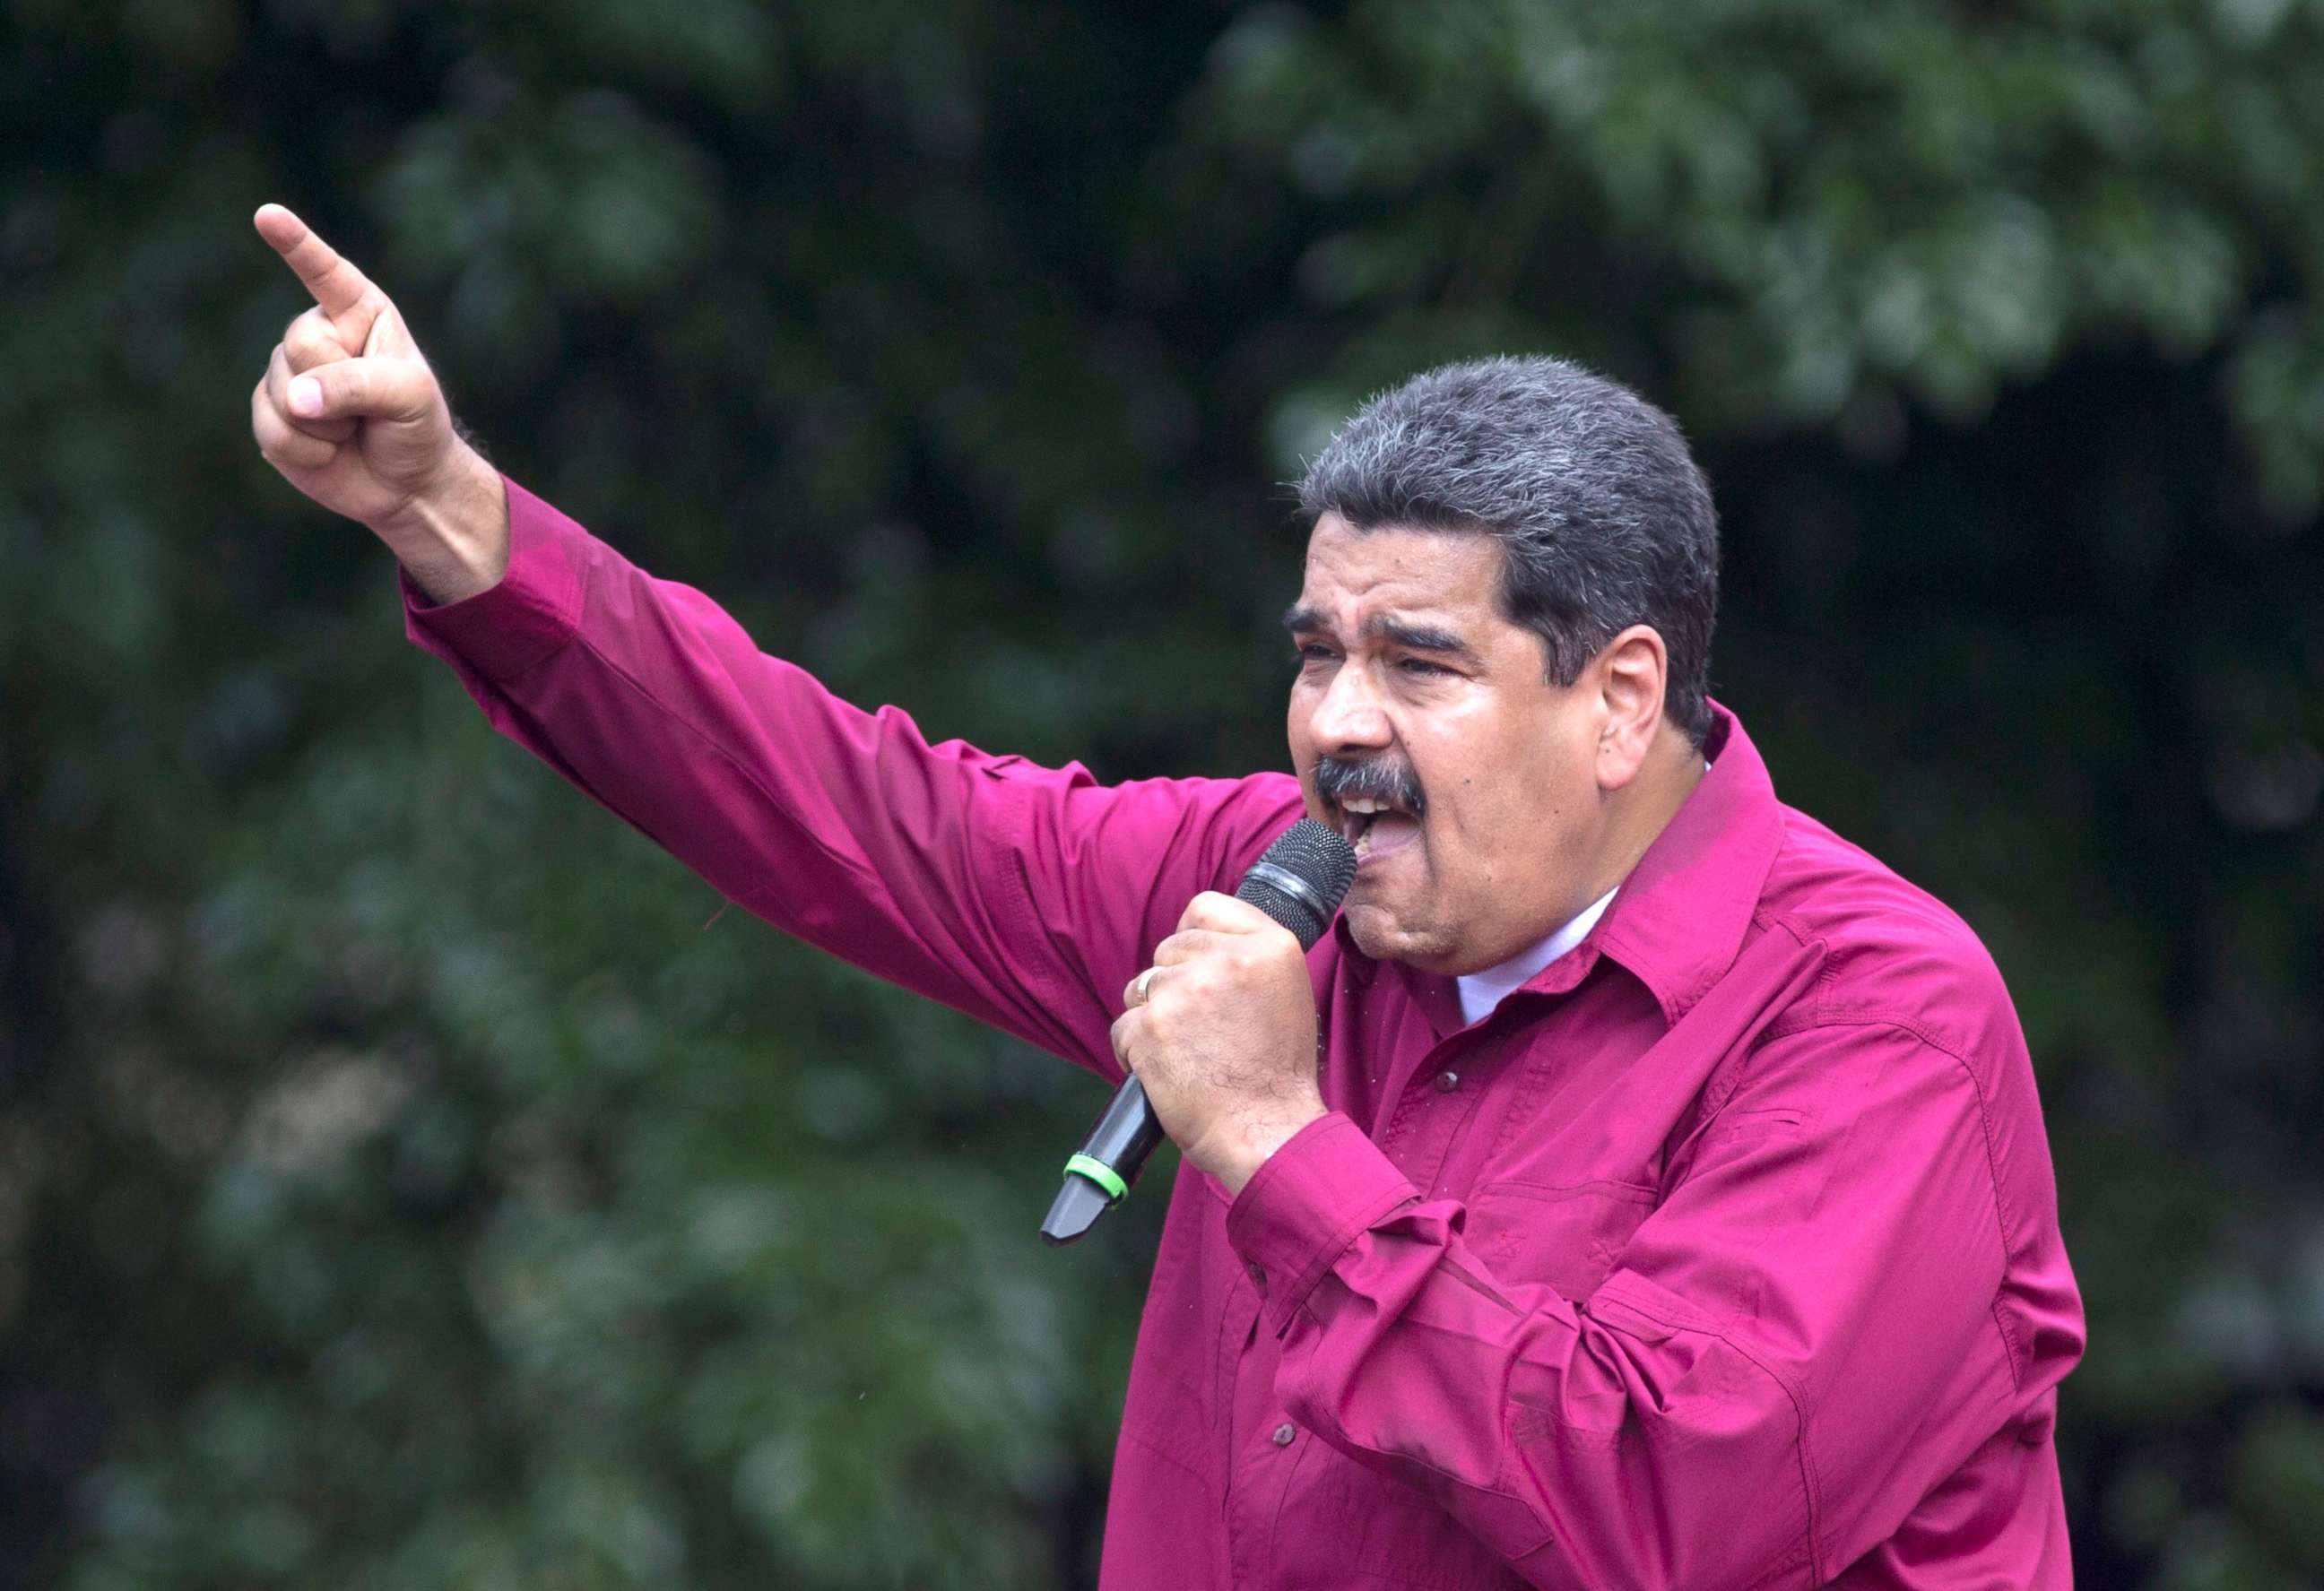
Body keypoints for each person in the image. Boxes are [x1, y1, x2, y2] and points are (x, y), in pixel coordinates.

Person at [248, 203, 2084, 1589]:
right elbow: (860, 813)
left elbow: (1674, 1494)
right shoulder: (1276, 895)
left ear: (1614, 699)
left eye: (1417, 666)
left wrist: (1283, 1149)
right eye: (1316, 654)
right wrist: (457, 524)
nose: (1337, 728)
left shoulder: (1873, 1012)